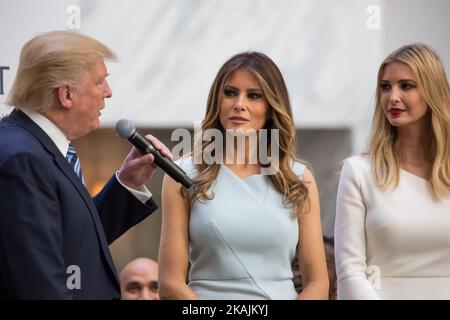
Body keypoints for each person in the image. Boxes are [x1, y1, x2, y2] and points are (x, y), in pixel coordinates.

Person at [0, 31, 171, 299]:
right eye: (100, 81)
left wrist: (127, 183)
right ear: (66, 94)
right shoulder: (23, 158)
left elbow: (74, 242)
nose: (109, 92)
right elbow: (40, 286)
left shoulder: (37, 146)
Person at [158, 52, 329, 299]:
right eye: (230, 92)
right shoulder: (183, 174)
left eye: (254, 96)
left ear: (271, 108)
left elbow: (317, 284)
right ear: (217, 101)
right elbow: (170, 284)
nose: (239, 103)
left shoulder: (299, 178)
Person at [334, 43, 450, 299]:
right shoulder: (358, 172)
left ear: (433, 91)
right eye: (385, 87)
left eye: (406, 86)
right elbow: (350, 272)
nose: (392, 97)